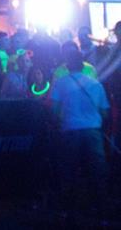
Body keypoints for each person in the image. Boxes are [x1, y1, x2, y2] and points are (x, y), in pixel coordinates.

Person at [50, 47, 110, 222]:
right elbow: (105, 112)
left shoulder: (61, 83)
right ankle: (100, 211)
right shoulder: (95, 84)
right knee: (96, 172)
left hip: (70, 131)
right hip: (93, 133)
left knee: (69, 171)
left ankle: (68, 212)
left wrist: (59, 123)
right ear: (83, 65)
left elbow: (54, 110)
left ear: (68, 65)